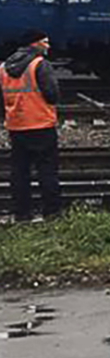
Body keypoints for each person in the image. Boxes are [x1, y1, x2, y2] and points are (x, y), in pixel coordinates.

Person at [3, 30, 63, 222]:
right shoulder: (40, 64)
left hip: (16, 126)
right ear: (34, 44)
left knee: (20, 172)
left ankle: (22, 213)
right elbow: (52, 94)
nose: (48, 46)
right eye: (45, 42)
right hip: (41, 125)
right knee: (47, 171)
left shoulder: (4, 67)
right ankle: (51, 213)